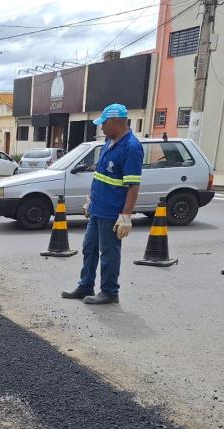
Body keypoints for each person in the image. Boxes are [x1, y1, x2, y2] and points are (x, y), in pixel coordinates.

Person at [62, 103, 142, 305]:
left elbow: (133, 185)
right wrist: (90, 199)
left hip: (112, 212)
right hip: (98, 208)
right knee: (89, 247)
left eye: (103, 124)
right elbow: (100, 176)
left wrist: (126, 216)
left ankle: (109, 291)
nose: (101, 128)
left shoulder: (131, 148)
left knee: (109, 252)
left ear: (115, 121)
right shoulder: (109, 142)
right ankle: (85, 285)